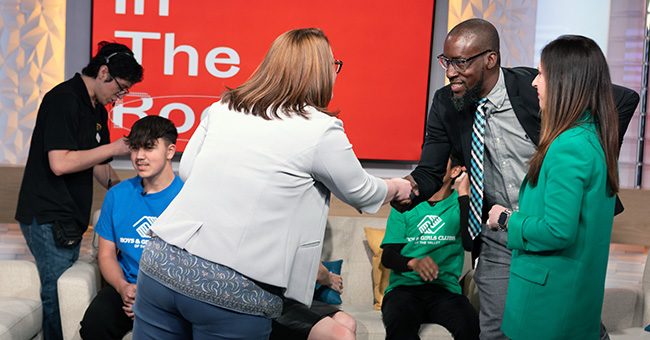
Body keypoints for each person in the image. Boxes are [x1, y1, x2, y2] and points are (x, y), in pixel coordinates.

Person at [132, 28, 412, 339]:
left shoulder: (225, 106)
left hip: (161, 265)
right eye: (334, 66)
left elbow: (189, 170)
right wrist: (399, 187)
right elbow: (362, 192)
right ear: (320, 72)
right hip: (231, 290)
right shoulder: (320, 129)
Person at [391, 18, 639, 340]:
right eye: (446, 61)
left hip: (548, 223)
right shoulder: (446, 103)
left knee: (561, 321)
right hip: (498, 229)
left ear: (490, 59)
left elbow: (622, 99)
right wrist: (402, 188)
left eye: (461, 62)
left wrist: (594, 158)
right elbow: (428, 171)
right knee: (497, 328)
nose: (450, 71)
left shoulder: (534, 88)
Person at [486, 35, 621, 339]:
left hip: (548, 308)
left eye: (542, 74)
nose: (534, 83)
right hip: (567, 302)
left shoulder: (568, 147)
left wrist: (507, 218)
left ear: (565, 82)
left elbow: (558, 230)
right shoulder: (590, 139)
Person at [15, 42, 143, 340]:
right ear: (103, 72)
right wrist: (114, 147)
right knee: (57, 293)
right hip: (47, 214)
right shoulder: (63, 99)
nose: (119, 97)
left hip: (71, 215)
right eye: (120, 88)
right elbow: (59, 163)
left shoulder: (96, 108)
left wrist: (129, 193)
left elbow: (97, 163)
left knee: (61, 288)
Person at [79, 116, 183, 339]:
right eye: (135, 148)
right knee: (94, 324)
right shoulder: (118, 195)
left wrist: (152, 301)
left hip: (173, 294)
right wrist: (122, 288)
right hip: (128, 287)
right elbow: (106, 254)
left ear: (170, 151)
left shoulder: (187, 198)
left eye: (149, 147)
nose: (139, 157)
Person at [381, 155, 478, 340]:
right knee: (400, 327)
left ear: (455, 171)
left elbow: (469, 243)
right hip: (404, 291)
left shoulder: (460, 205)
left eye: (439, 162)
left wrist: (464, 195)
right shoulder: (406, 202)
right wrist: (413, 263)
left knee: (470, 324)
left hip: (445, 292)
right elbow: (388, 257)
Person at [270, 263, 355, 340]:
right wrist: (330, 278)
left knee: (347, 322)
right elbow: (317, 270)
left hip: (293, 296)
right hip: (269, 299)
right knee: (343, 335)